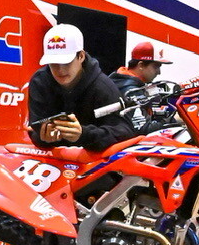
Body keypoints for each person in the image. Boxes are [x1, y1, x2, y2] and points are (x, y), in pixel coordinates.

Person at [26, 23, 131, 151]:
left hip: (93, 163)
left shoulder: (103, 87)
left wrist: (83, 135)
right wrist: (43, 138)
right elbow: (35, 130)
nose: (60, 70)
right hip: (54, 161)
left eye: (66, 62)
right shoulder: (39, 82)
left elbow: (124, 132)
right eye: (53, 63)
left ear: (80, 56)